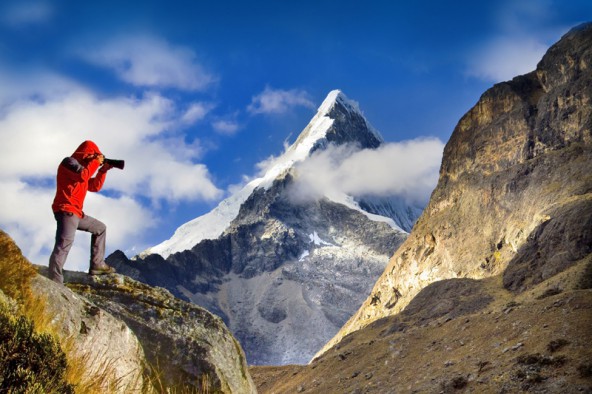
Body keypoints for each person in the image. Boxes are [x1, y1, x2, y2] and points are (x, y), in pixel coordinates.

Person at [48, 140, 116, 284]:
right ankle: (54, 280)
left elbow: (94, 186)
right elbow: (83, 176)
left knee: (100, 228)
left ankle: (97, 265)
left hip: (77, 213)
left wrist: (102, 171)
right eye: (93, 156)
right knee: (64, 244)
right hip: (66, 209)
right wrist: (96, 162)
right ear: (87, 154)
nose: (94, 159)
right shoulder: (69, 162)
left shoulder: (82, 169)